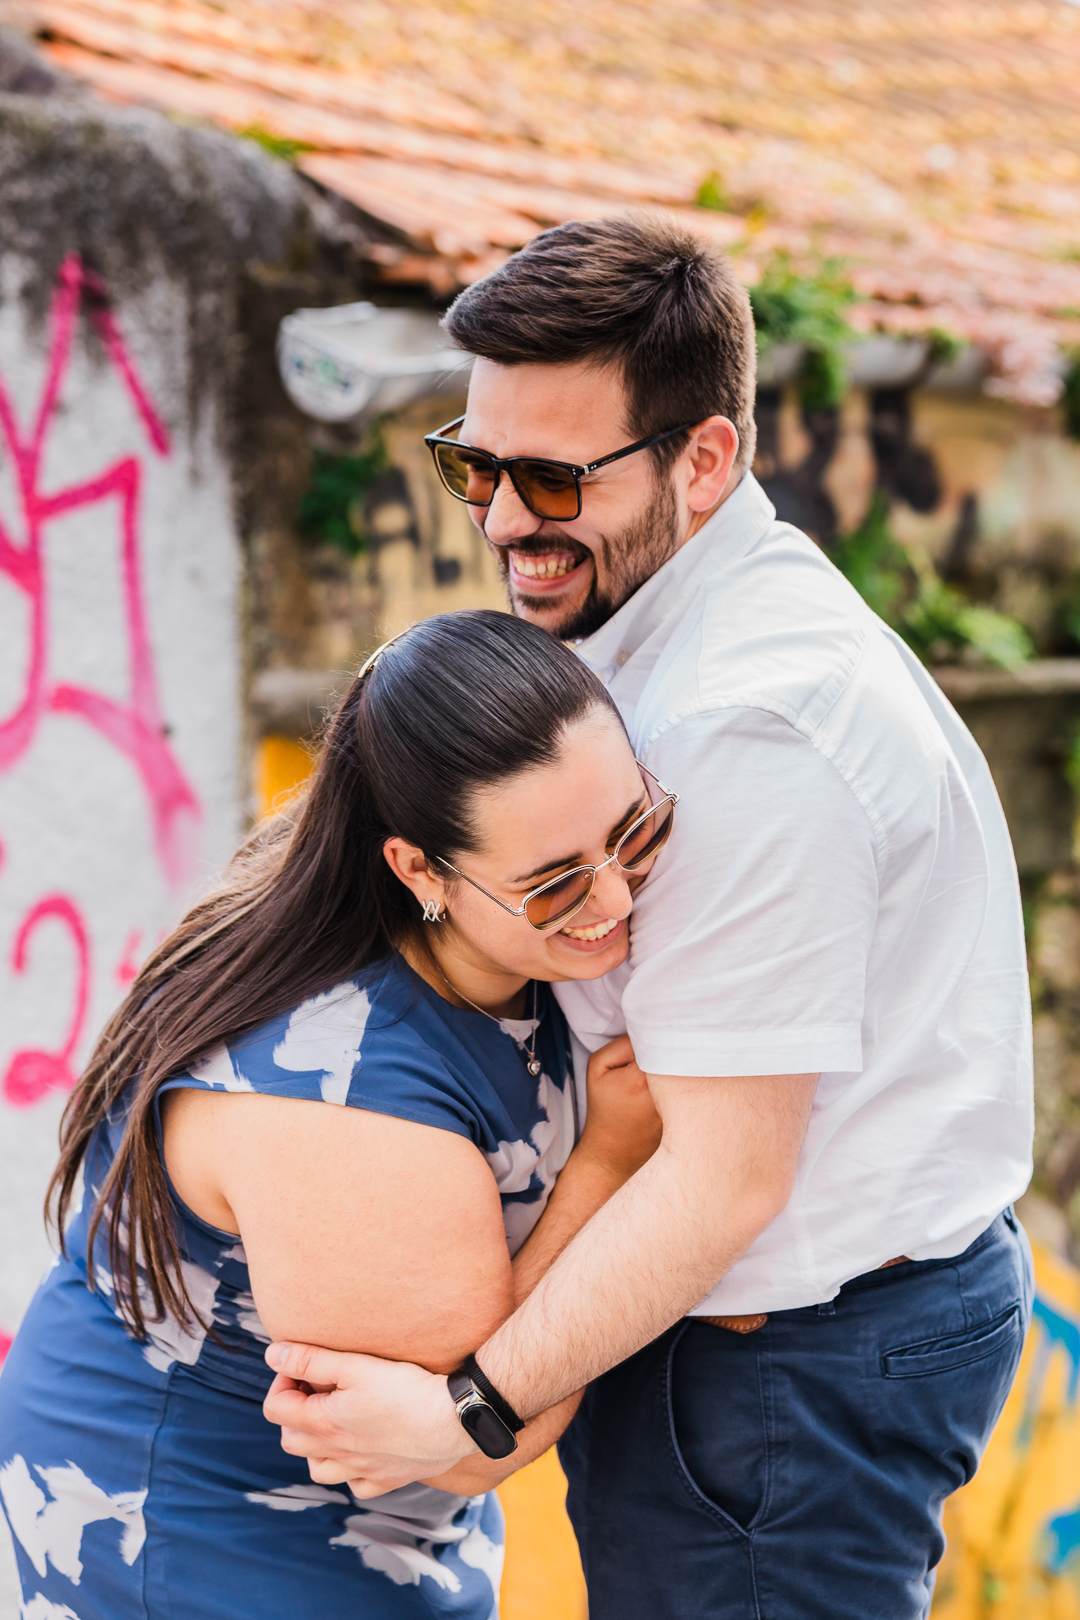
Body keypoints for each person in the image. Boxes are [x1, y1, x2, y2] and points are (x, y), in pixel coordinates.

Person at [262, 215, 1036, 1620]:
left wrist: (475, 1415)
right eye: (474, 466)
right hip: (789, 1345)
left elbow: (723, 1176)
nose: (502, 520)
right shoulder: (683, 627)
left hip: (778, 1370)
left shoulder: (745, 725)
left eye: (553, 478)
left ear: (706, 460)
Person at [0, 610, 669, 1620]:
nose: (614, 896)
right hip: (186, 1537)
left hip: (366, 1542)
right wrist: (609, 1167)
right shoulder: (337, 1089)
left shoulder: (507, 951)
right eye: (554, 883)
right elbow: (476, 1435)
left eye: (633, 831)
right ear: (421, 872)